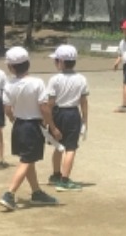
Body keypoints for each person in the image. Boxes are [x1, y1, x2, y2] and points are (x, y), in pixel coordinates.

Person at [0, 46, 60, 211]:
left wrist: (13, 119)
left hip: (19, 125)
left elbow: (7, 108)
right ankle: (9, 194)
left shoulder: (8, 84)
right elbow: (44, 107)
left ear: (11, 67)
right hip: (33, 126)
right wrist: (53, 127)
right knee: (27, 160)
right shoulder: (37, 82)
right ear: (28, 63)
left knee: (28, 159)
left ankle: (36, 192)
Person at [47, 45, 89, 191]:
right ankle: (64, 179)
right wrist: (84, 121)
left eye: (56, 60)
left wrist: (48, 121)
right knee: (70, 148)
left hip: (57, 113)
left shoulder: (54, 79)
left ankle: (56, 174)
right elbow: (83, 101)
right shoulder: (81, 79)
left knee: (59, 145)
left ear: (62, 62)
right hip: (72, 113)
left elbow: (50, 102)